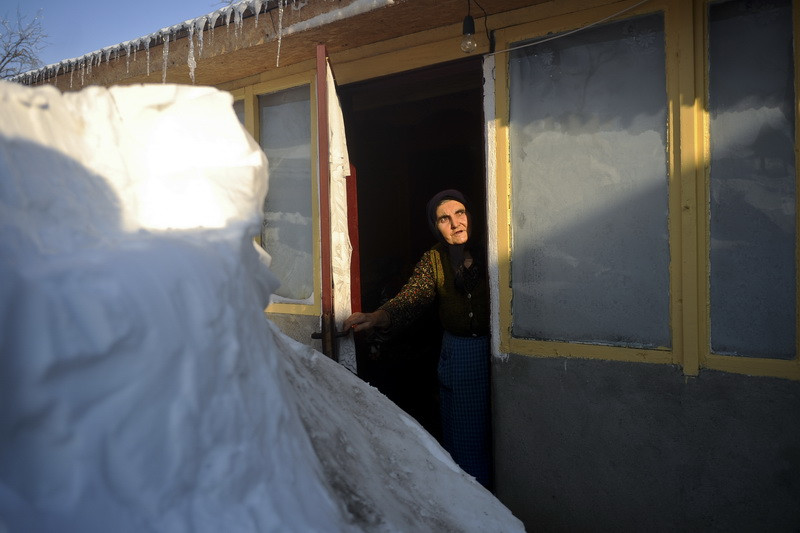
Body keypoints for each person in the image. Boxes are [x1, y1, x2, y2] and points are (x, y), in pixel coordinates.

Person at [344, 189, 492, 489]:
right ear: (435, 226)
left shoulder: (494, 250)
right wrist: (376, 317)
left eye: (460, 213)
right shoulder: (434, 259)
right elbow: (411, 298)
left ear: (472, 215)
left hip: (497, 352)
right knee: (465, 441)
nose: (455, 223)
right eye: (444, 219)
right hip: (460, 354)